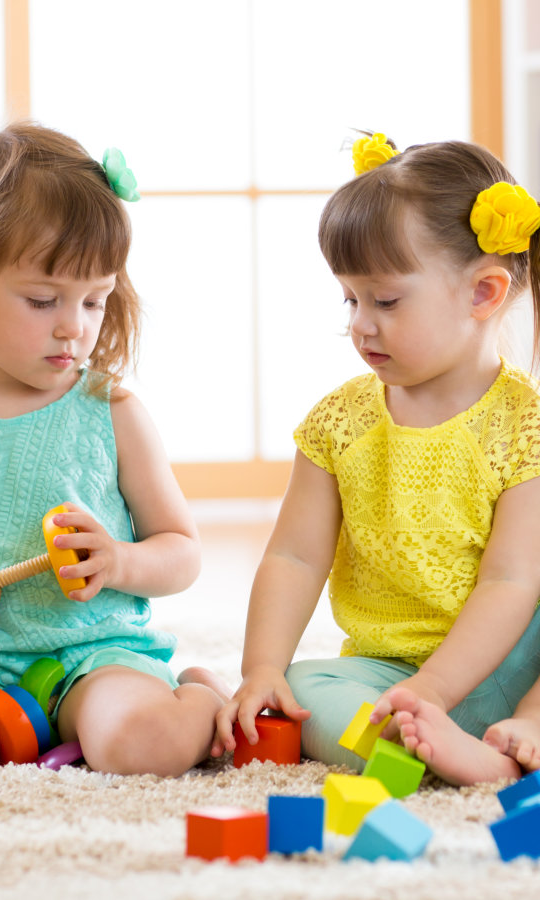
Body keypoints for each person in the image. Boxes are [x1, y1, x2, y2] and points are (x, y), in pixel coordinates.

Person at [212, 133, 540, 781]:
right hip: (388, 674)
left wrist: (439, 690)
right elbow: (293, 556)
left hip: (513, 663)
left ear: (484, 294)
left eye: (384, 301)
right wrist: (262, 670)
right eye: (350, 299)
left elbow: (512, 582)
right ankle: (433, 750)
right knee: (304, 689)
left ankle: (518, 734)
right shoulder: (340, 424)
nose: (361, 323)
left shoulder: (523, 427)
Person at [0, 123, 229, 777]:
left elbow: (181, 551)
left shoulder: (111, 412)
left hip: (89, 654)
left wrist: (121, 561)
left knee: (142, 747)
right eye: (44, 300)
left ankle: (200, 693)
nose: (76, 326)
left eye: (95, 300)